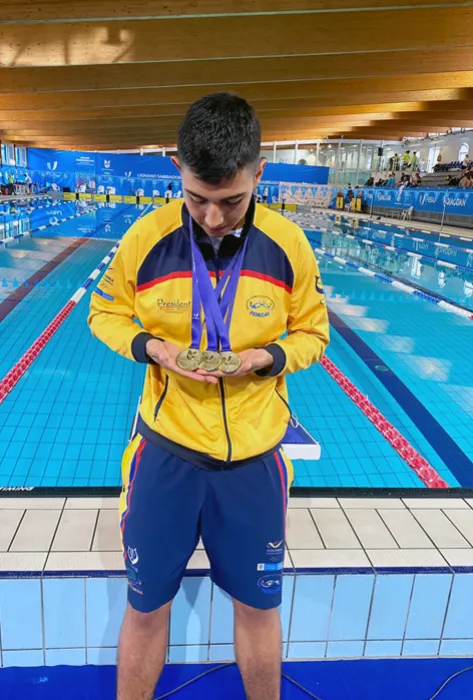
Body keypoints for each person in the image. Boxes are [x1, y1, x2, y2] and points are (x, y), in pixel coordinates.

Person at [88, 92, 329, 700]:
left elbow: (313, 332)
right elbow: (103, 312)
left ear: (259, 173)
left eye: (232, 201)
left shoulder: (287, 245)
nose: (213, 218)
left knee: (257, 607)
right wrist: (151, 348)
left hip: (254, 461)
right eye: (197, 199)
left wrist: (269, 358)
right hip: (165, 454)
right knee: (145, 608)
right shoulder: (146, 239)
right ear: (177, 169)